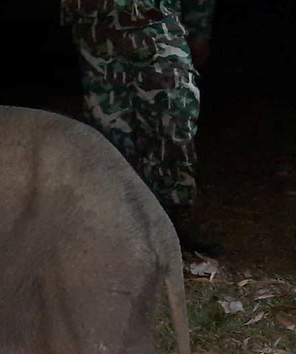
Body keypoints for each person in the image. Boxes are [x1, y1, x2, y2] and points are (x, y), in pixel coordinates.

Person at [61, 0, 219, 255]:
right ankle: (120, 224)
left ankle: (175, 221)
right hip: (97, 34)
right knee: (109, 133)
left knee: (174, 118)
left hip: (155, 26)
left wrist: (199, 30)